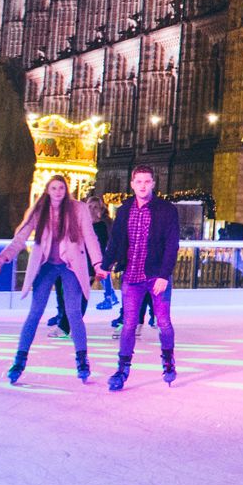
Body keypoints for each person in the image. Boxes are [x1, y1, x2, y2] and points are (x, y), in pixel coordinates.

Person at [0, 175, 106, 384]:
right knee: (35, 312)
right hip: (45, 266)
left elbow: (90, 237)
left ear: (66, 190)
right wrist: (3, 258)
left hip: (70, 266)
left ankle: (82, 360)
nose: (57, 192)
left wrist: (99, 263)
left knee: (73, 313)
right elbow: (21, 236)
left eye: (61, 188)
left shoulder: (78, 209)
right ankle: (19, 361)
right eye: (53, 188)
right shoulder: (40, 210)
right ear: (47, 190)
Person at [101, 166, 182, 391]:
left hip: (157, 276)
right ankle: (122, 369)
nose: (143, 185)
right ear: (133, 184)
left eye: (147, 181)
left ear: (153, 184)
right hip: (132, 276)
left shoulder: (166, 210)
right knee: (128, 325)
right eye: (139, 181)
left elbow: (171, 245)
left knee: (164, 323)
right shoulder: (125, 209)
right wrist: (106, 266)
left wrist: (164, 275)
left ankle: (168, 361)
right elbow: (116, 240)